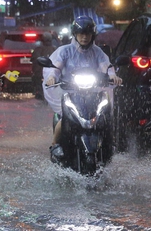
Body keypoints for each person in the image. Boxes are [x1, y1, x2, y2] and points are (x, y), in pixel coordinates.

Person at [42, 16, 122, 161]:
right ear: (75, 34)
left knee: (105, 115)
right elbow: (56, 67)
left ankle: (110, 143)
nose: (84, 37)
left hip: (94, 93)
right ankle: (55, 144)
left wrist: (112, 76)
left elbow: (107, 66)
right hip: (70, 92)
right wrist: (52, 76)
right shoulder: (65, 51)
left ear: (93, 35)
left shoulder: (98, 52)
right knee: (64, 116)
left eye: (87, 34)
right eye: (81, 34)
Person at [31, 32, 56, 100]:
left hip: (41, 73)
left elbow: (34, 59)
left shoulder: (38, 49)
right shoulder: (54, 49)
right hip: (49, 73)